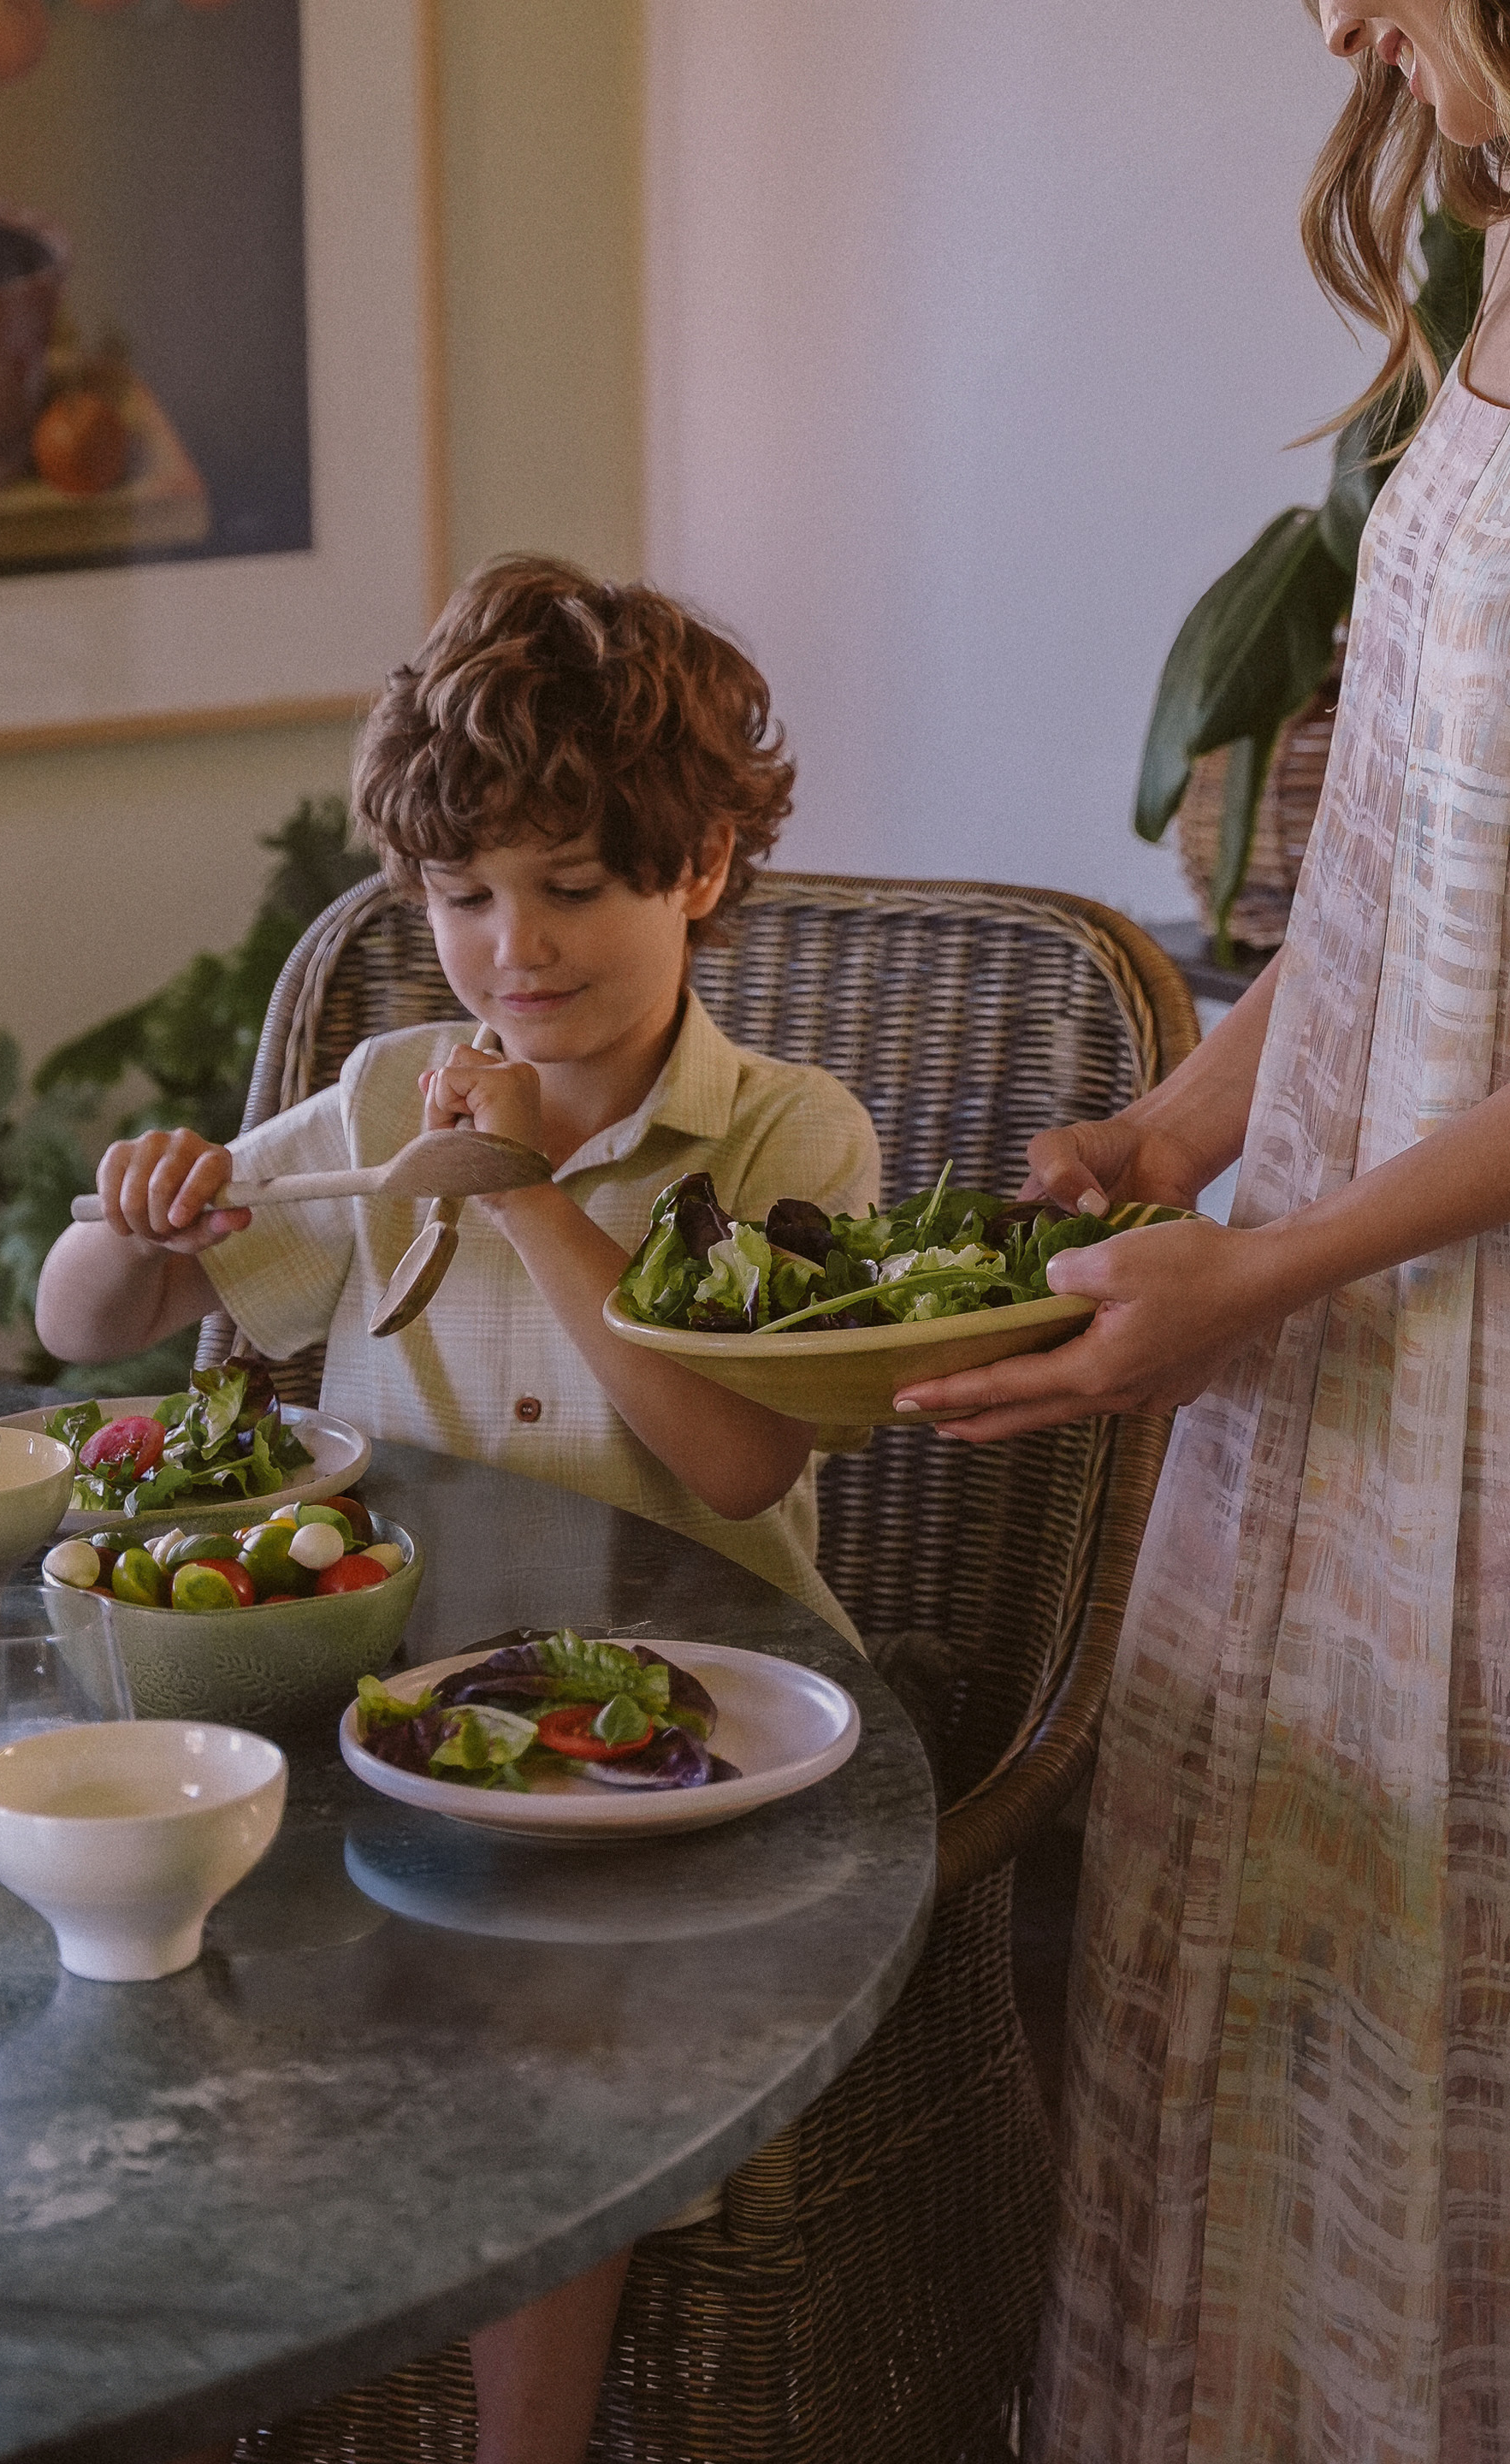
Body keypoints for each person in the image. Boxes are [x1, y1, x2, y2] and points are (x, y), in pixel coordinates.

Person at [34, 554, 878, 2464]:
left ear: (699, 872)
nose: (515, 948)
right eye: (463, 894)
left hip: (680, 1749)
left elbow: (742, 1465)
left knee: (526, 2037)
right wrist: (129, 1223)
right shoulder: (386, 1093)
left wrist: (522, 1193)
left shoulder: (785, 1138)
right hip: (400, 1717)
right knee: (126, 1940)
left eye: (574, 887)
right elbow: (84, 1329)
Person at [891, 9, 1510, 2457]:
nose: (1340, 24)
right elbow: (1399, 863)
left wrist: (1268, 1264)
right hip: (1356, 1353)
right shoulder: (1485, 265)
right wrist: (1188, 1132)